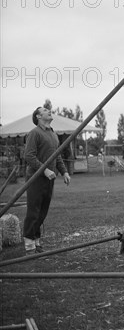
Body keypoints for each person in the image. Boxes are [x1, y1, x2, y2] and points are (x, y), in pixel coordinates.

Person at [23, 106, 71, 255]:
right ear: (38, 116)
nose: (48, 110)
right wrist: (45, 170)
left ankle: (36, 241)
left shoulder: (53, 134)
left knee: (42, 211)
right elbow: (29, 156)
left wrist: (64, 171)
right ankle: (29, 245)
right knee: (34, 210)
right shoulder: (34, 133)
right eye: (44, 109)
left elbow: (56, 156)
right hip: (35, 178)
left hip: (49, 178)